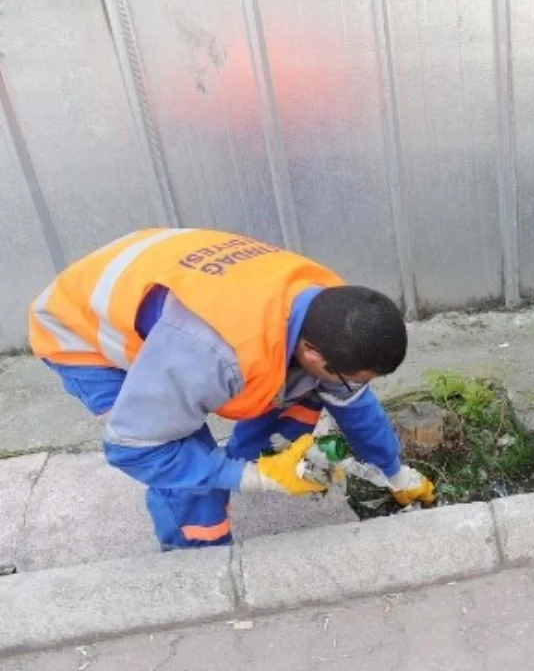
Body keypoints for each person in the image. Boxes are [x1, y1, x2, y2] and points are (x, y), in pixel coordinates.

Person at [28, 227, 433, 550]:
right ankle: (196, 557)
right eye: (353, 378)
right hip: (80, 328)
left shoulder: (328, 306)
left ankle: (255, 460)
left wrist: (395, 471)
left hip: (156, 275)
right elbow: (136, 450)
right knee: (182, 454)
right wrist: (254, 479)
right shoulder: (212, 354)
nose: (354, 389)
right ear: (310, 351)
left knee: (304, 389)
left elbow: (353, 404)